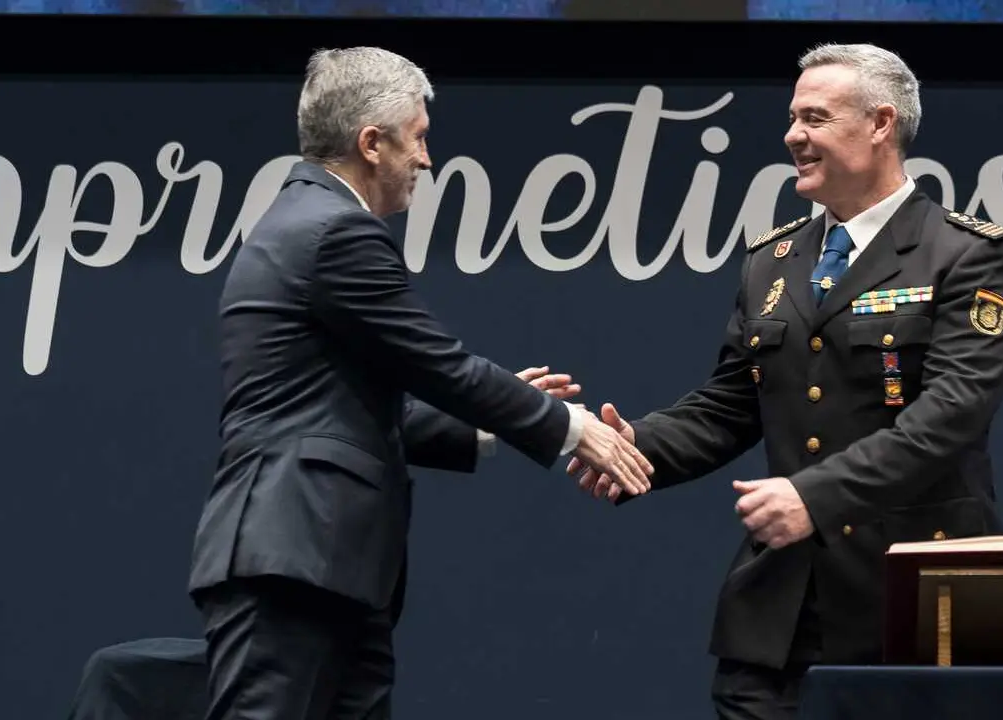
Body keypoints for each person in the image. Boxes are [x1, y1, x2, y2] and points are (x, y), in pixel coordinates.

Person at [187, 46, 653, 720]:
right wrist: (573, 431)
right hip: (294, 561)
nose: (428, 161)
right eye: (420, 138)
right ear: (371, 143)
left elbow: (344, 406)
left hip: (328, 565)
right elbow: (439, 365)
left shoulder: (302, 222)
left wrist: (488, 424)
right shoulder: (335, 231)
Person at [570, 42, 1003, 719]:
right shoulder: (772, 261)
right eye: (792, 118)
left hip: (913, 603)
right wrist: (637, 445)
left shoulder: (964, 255)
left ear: (880, 124)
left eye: (815, 118)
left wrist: (814, 496)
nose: (792, 137)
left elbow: (951, 414)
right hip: (781, 611)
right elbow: (733, 402)